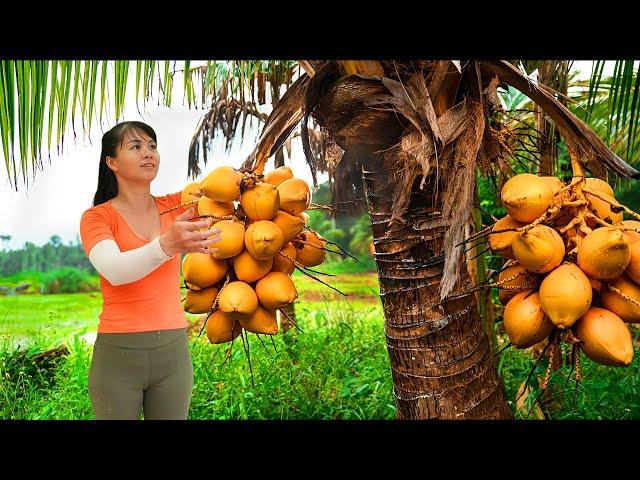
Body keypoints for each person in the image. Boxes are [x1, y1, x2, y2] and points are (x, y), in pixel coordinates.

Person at [79, 121, 221, 420]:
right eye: (136, 146)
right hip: (118, 358)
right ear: (112, 162)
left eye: (152, 146)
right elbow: (115, 270)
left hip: (173, 353)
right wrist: (167, 245)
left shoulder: (177, 205)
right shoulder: (97, 218)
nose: (148, 153)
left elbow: (224, 194)